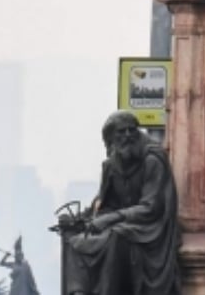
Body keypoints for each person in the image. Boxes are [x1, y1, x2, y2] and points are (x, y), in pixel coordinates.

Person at [64, 111, 181, 295]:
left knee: (115, 237)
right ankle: (78, 291)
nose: (128, 135)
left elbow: (151, 208)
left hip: (149, 229)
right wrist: (84, 218)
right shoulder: (111, 166)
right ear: (111, 140)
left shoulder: (152, 159)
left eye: (131, 130)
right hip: (123, 225)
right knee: (75, 241)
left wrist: (110, 219)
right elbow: (103, 203)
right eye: (121, 132)